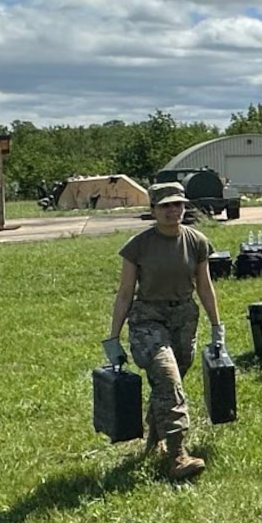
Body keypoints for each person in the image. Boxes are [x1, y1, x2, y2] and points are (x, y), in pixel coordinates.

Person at [106, 183, 223, 481]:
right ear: (153, 210)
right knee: (169, 379)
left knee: (168, 383)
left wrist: (217, 327)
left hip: (184, 318)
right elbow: (125, 293)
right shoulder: (138, 246)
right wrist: (113, 338)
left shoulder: (196, 241)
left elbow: (205, 287)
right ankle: (178, 455)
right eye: (165, 206)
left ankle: (154, 440)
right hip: (148, 320)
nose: (173, 210)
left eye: (178, 204)